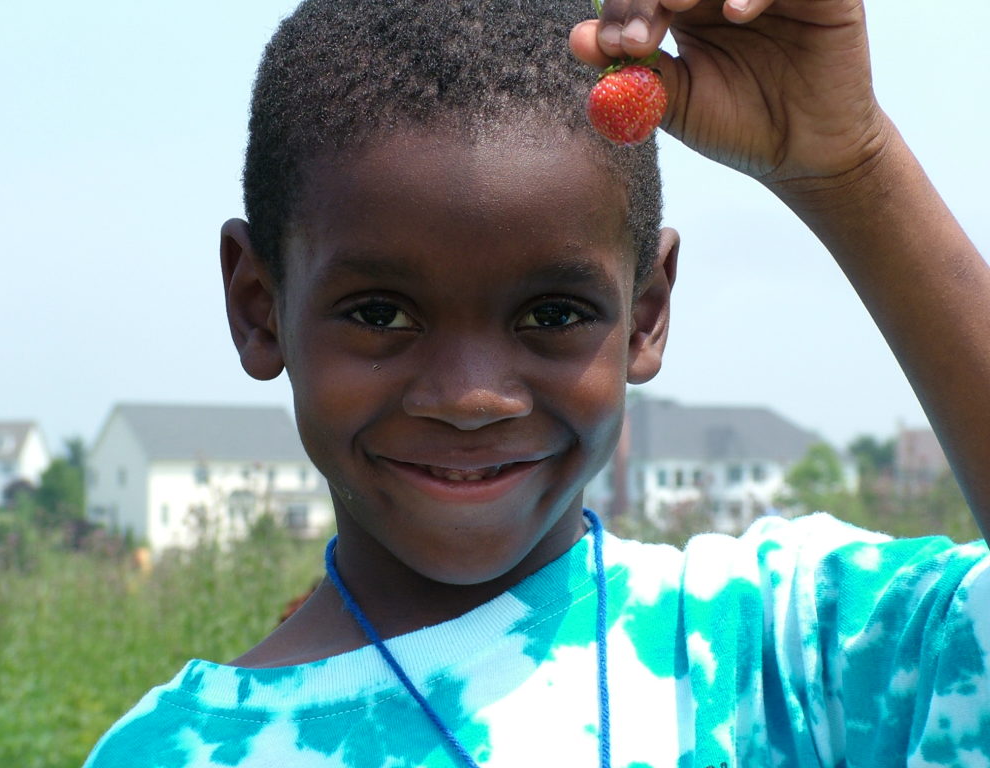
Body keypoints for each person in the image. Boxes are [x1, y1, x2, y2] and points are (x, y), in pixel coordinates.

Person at [83, 0, 990, 765]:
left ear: (645, 314)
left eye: (553, 316)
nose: (472, 397)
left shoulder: (770, 653)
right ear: (258, 306)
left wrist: (852, 166)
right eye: (380, 314)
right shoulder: (179, 749)